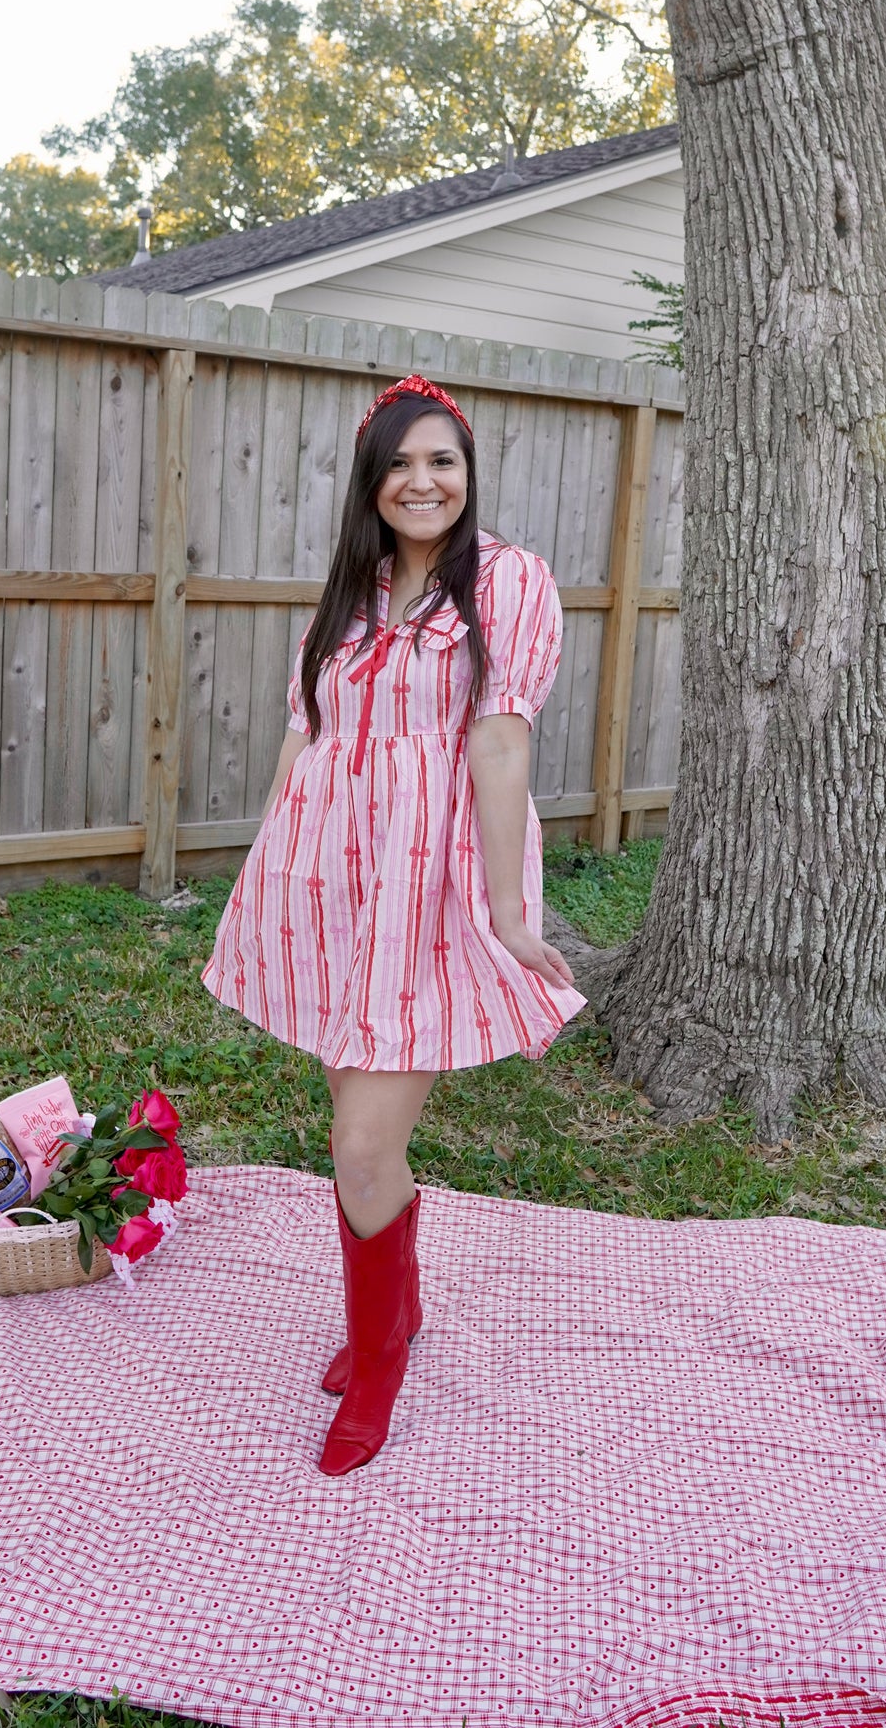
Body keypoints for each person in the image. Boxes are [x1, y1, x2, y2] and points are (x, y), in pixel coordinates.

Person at [201, 374, 586, 1476]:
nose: (422, 482)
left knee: (361, 1144)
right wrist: (268, 866)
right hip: (327, 876)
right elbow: (302, 732)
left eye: (442, 461)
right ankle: (396, 1311)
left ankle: (375, 1362)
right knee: (356, 1122)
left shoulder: (506, 582)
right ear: (371, 483)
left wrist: (511, 912)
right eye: (399, 464)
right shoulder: (352, 588)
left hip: (431, 880)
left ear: (466, 472)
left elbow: (500, 744)